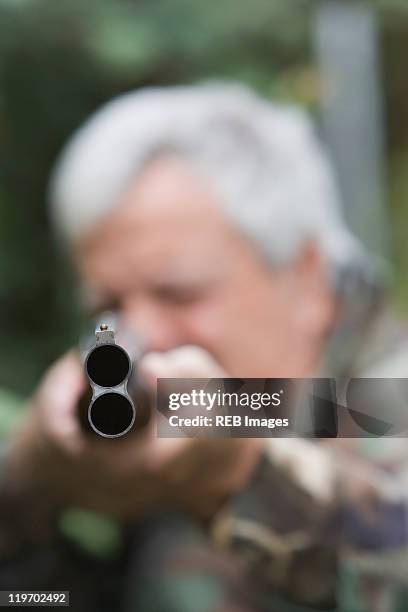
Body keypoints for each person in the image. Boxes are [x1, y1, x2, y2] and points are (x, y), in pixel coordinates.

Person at [1, 83, 408, 612]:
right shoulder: (143, 428)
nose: (143, 334)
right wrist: (27, 482)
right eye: (106, 305)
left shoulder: (373, 401)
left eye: (179, 293)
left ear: (307, 278)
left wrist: (240, 473)